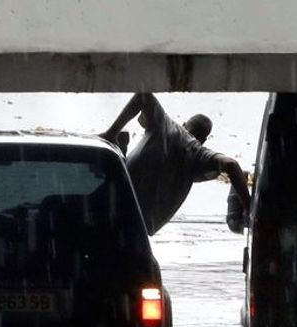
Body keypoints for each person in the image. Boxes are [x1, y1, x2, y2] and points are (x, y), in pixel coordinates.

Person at [99, 93, 251, 235]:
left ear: (185, 124)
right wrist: (248, 207)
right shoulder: (198, 154)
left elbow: (143, 94)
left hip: (113, 206)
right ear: (203, 139)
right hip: (138, 224)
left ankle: (120, 143)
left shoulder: (164, 125)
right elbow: (231, 164)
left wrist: (111, 133)